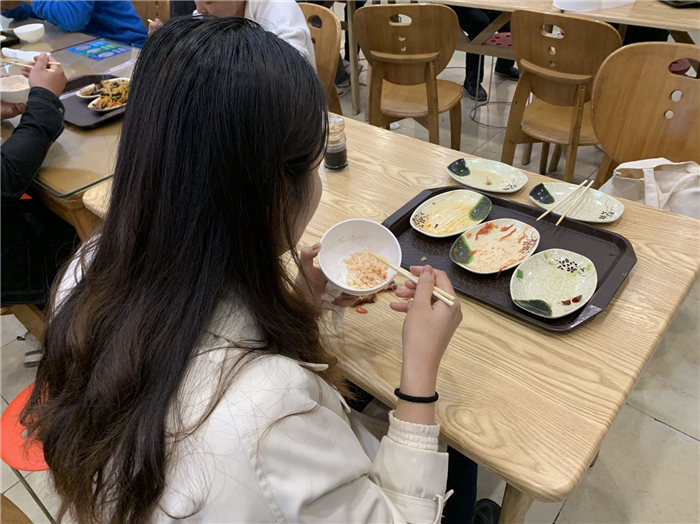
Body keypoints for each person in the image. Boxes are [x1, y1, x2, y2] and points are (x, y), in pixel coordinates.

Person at [18, 16, 491, 524]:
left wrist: (300, 301)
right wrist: (419, 376)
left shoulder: (89, 265)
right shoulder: (269, 417)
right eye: (313, 164)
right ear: (276, 192)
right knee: (461, 451)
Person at [1, 53, 79, 366]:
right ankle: (69, 331)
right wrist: (44, 99)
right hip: (11, 262)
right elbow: (6, 178)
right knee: (92, 232)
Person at [149, 0, 315, 65]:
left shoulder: (279, 8)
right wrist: (169, 40)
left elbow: (292, 71)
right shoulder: (206, 13)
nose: (200, 10)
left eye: (209, 2)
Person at [1, 1, 147, 48]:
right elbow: (39, 9)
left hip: (124, 46)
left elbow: (72, 18)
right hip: (83, 45)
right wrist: (9, 6)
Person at [450, 7, 520, 101]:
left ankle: (504, 66)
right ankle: (472, 81)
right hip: (456, 6)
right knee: (479, 22)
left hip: (479, 4)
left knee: (508, 18)